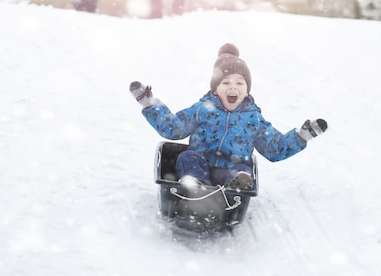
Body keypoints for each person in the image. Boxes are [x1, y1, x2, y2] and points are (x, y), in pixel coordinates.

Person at [129, 43, 328, 190]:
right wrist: (150, 104)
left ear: (247, 91)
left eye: (240, 83)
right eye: (226, 83)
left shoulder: (253, 118)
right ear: (215, 90)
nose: (233, 87)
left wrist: (301, 137)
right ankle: (196, 186)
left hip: (231, 169)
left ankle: (236, 188)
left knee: (243, 168)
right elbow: (173, 128)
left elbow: (274, 149)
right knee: (187, 157)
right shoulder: (202, 109)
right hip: (201, 163)